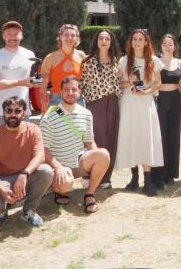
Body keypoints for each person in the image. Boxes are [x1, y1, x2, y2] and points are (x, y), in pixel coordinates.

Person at [40, 77, 110, 213]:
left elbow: (89, 142)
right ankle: (57, 188)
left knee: (104, 155)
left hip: (78, 162)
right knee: (66, 185)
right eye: (66, 90)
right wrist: (58, 167)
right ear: (60, 92)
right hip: (59, 166)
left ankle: (89, 194)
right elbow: (44, 150)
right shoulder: (49, 117)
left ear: (79, 92)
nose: (70, 93)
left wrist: (98, 163)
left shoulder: (86, 114)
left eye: (74, 89)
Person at [0, 96, 53, 227]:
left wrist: (24, 174)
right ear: (3, 113)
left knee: (46, 171)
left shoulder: (33, 129)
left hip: (25, 177)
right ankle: (1, 211)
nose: (13, 114)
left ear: (24, 113)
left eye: (17, 111)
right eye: (9, 111)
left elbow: (40, 155)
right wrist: (2, 191)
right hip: (1, 180)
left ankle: (29, 210)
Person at [116, 29, 164, 196]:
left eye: (140, 39)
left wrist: (147, 91)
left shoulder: (154, 60)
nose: (137, 42)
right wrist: (130, 82)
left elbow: (158, 83)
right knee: (131, 137)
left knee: (145, 137)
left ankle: (147, 180)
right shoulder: (123, 61)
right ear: (131, 42)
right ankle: (134, 178)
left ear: (146, 42)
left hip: (145, 102)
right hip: (129, 103)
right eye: (134, 39)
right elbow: (119, 84)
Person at [81, 29, 121, 189]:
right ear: (96, 41)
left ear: (111, 42)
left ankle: (105, 178)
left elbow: (120, 82)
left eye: (107, 39)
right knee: (97, 138)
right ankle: (89, 175)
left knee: (111, 138)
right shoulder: (87, 62)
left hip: (113, 102)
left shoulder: (115, 61)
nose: (104, 41)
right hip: (94, 103)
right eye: (101, 38)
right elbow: (81, 85)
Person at [0, 21, 38, 129]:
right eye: (9, 34)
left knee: (23, 141)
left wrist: (36, 83)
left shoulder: (29, 55)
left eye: (16, 34)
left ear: (21, 36)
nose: (12, 37)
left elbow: (33, 79)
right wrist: (21, 82)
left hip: (22, 112)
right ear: (3, 36)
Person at [157, 34, 181, 185]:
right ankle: (160, 174)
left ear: (174, 46)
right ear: (161, 46)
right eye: (164, 44)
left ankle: (171, 173)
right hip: (160, 100)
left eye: (170, 44)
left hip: (175, 100)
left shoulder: (180, 63)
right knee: (161, 136)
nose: (167, 47)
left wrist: (180, 102)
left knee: (174, 136)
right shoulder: (156, 62)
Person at [40, 24, 86, 108]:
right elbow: (43, 82)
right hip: (57, 101)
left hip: (77, 100)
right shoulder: (51, 58)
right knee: (61, 117)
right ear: (60, 37)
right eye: (66, 35)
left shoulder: (81, 55)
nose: (69, 38)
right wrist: (43, 105)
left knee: (78, 118)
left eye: (73, 35)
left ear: (77, 38)